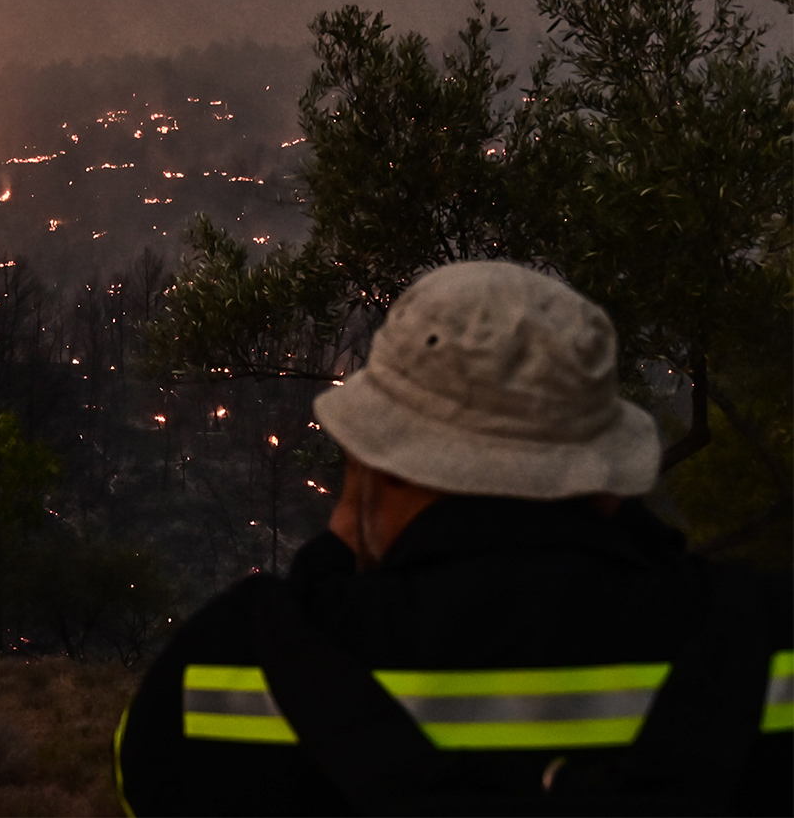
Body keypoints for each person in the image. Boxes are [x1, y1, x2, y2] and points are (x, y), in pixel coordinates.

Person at [114, 261, 792, 816]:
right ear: (608, 475)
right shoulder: (764, 649)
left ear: (374, 465)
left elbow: (144, 778)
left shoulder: (224, 674)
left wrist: (338, 550)